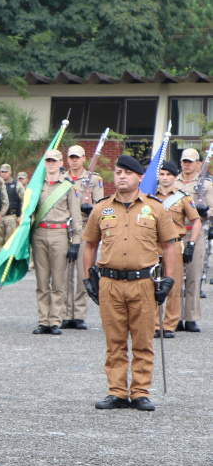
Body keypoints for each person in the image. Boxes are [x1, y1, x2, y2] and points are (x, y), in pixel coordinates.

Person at [83, 155, 178, 412]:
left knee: (143, 341)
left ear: (139, 177)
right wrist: (88, 278)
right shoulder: (101, 208)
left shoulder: (155, 208)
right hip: (110, 283)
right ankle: (116, 392)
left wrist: (168, 279)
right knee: (114, 342)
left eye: (127, 172)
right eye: (118, 172)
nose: (121, 176)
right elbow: (90, 245)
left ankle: (140, 392)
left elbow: (169, 246)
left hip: (143, 283)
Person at [31, 149, 83, 335]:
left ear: (61, 163)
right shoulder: (37, 185)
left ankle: (55, 320)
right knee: (42, 281)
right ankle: (43, 320)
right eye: (48, 161)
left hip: (59, 233)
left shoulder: (68, 186)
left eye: (54, 161)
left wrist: (76, 242)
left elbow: (76, 216)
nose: (51, 164)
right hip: (39, 233)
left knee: (59, 281)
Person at [154, 160, 202, 339]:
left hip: (173, 244)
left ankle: (170, 324)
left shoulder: (182, 197)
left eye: (168, 174)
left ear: (175, 177)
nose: (165, 178)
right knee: (151, 284)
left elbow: (196, 220)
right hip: (152, 244)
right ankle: (154, 324)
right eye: (162, 174)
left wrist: (192, 244)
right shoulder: (150, 196)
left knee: (173, 285)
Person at [61, 146, 104, 329]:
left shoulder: (93, 179)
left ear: (84, 158)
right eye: (71, 157)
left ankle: (79, 314)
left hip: (85, 227)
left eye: (77, 157)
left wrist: (91, 207)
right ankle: (65, 313)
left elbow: (101, 205)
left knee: (82, 272)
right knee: (64, 274)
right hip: (64, 228)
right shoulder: (61, 179)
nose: (74, 160)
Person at [174, 148, 213, 332]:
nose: (187, 165)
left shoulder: (206, 184)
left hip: (195, 232)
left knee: (193, 276)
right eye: (184, 161)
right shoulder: (172, 182)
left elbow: (212, 208)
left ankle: (190, 317)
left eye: (191, 161)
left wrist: (206, 212)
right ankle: (174, 316)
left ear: (198, 163)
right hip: (175, 232)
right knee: (175, 277)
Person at [0, 164, 21, 250]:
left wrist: (21, 215)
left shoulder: (17, 184)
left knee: (10, 244)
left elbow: (24, 200)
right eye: (2, 172)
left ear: (10, 172)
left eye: (6, 172)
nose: (4, 174)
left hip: (11, 217)